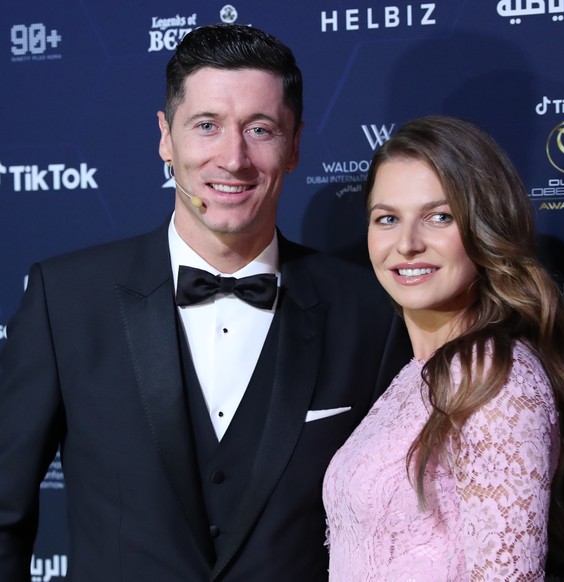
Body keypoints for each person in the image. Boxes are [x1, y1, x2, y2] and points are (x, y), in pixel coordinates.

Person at [0, 24, 408, 582]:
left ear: (293, 145)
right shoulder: (65, 300)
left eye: (260, 129)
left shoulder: (370, 311)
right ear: (166, 137)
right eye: (207, 126)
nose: (233, 158)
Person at [323, 115, 564, 580]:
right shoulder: (415, 373)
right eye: (387, 219)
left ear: (484, 226)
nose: (406, 244)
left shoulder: (496, 378)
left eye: (438, 217)